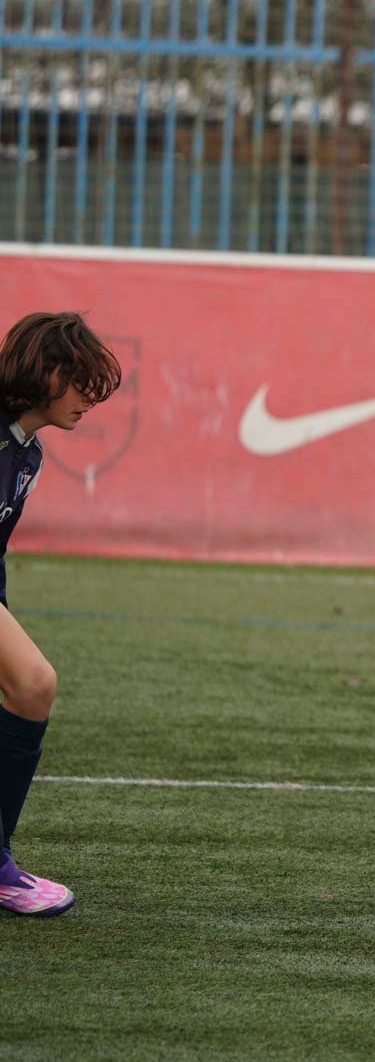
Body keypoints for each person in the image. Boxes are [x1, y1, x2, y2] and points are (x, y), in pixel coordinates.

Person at [0, 312, 122, 917]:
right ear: (46, 372)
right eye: (79, 380)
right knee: (33, 681)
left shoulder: (28, 455)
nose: (88, 399)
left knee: (30, 685)